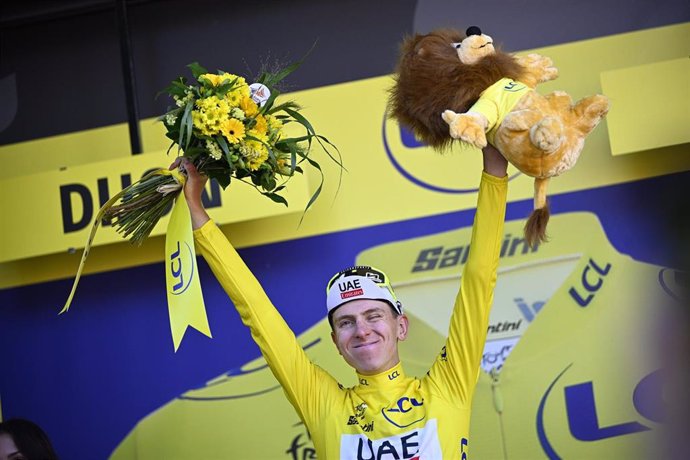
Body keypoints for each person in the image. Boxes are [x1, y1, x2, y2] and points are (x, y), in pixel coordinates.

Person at [174, 143, 508, 458]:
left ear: (401, 326)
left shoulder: (449, 386)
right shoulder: (323, 405)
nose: (361, 330)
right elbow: (257, 313)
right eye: (346, 322)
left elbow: (478, 283)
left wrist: (494, 169)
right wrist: (196, 213)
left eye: (374, 315)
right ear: (336, 341)